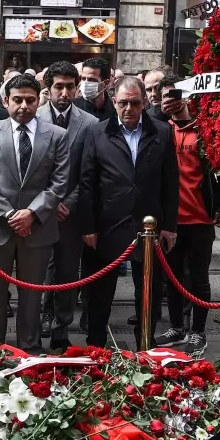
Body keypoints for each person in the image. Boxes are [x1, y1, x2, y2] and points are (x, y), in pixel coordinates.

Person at [77, 77, 178, 348]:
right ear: (114, 103)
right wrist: (88, 226)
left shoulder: (162, 132)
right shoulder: (96, 133)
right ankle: (96, 347)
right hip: (106, 226)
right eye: (123, 103)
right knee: (99, 295)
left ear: (144, 102)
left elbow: (170, 181)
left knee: (149, 294)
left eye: (135, 102)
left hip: (149, 227)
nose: (129, 108)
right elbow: (86, 183)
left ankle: (144, 346)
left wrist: (169, 226)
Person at [0, 74, 69, 353]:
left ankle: (30, 349)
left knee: (32, 294)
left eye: (30, 100)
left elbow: (60, 181)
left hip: (38, 227)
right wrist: (9, 215)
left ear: (39, 100)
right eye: (17, 100)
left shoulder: (57, 135)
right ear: (5, 101)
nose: (24, 106)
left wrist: (32, 214)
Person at [149, 88, 220, 355]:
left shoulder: (206, 132)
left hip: (199, 218)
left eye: (173, 96)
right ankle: (176, 327)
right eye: (163, 98)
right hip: (171, 221)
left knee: (199, 279)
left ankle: (198, 331)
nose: (168, 102)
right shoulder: (161, 129)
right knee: (172, 278)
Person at [34, 62, 98, 348]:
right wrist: (48, 202)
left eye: (70, 86)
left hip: (71, 212)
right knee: (34, 272)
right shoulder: (33, 117)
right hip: (38, 209)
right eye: (58, 86)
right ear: (48, 88)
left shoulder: (90, 123)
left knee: (68, 272)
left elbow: (90, 171)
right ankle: (35, 324)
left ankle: (62, 328)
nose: (64, 92)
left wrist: (68, 202)